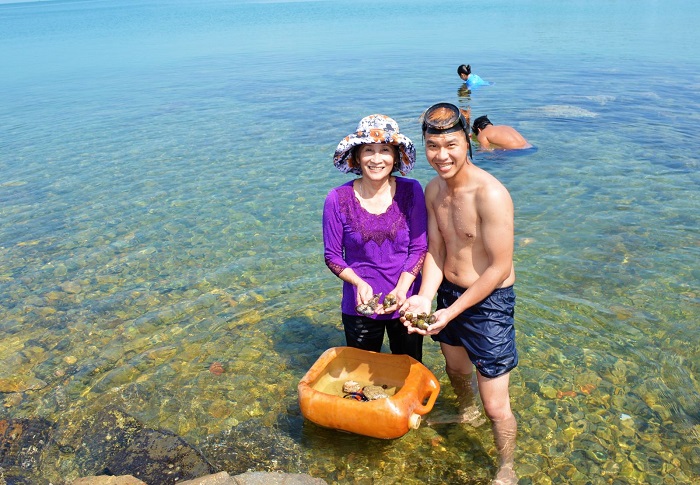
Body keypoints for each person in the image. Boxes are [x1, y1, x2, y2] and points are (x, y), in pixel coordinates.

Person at [401, 103, 518, 484]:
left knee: (496, 405)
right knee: (455, 369)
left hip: (489, 304)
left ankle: (506, 467)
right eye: (433, 146)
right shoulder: (433, 189)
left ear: (467, 142)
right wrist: (426, 296)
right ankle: (465, 412)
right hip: (449, 294)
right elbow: (437, 250)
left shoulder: (491, 194)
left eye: (451, 145)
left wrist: (450, 312)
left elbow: (499, 268)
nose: (442, 155)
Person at [323, 114, 428, 362]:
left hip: (406, 301)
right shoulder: (337, 198)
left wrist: (402, 289)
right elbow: (332, 256)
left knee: (409, 368)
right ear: (357, 157)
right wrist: (358, 283)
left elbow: (419, 247)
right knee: (362, 371)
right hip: (360, 305)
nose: (377, 159)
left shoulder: (412, 190)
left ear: (396, 157)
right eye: (368, 150)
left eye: (385, 150)